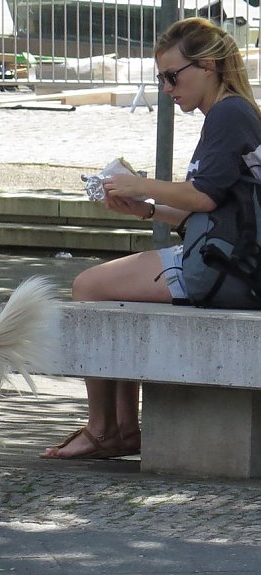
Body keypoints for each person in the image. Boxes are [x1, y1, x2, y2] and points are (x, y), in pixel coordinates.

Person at [40, 16, 261, 460]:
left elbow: (201, 196)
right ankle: (119, 428)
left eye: (172, 76)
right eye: (162, 77)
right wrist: (146, 209)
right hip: (227, 260)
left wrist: (141, 185)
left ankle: (106, 429)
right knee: (106, 292)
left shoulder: (229, 113)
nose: (166, 87)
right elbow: (213, 206)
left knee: (88, 287)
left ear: (209, 67)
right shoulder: (229, 112)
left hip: (224, 272)